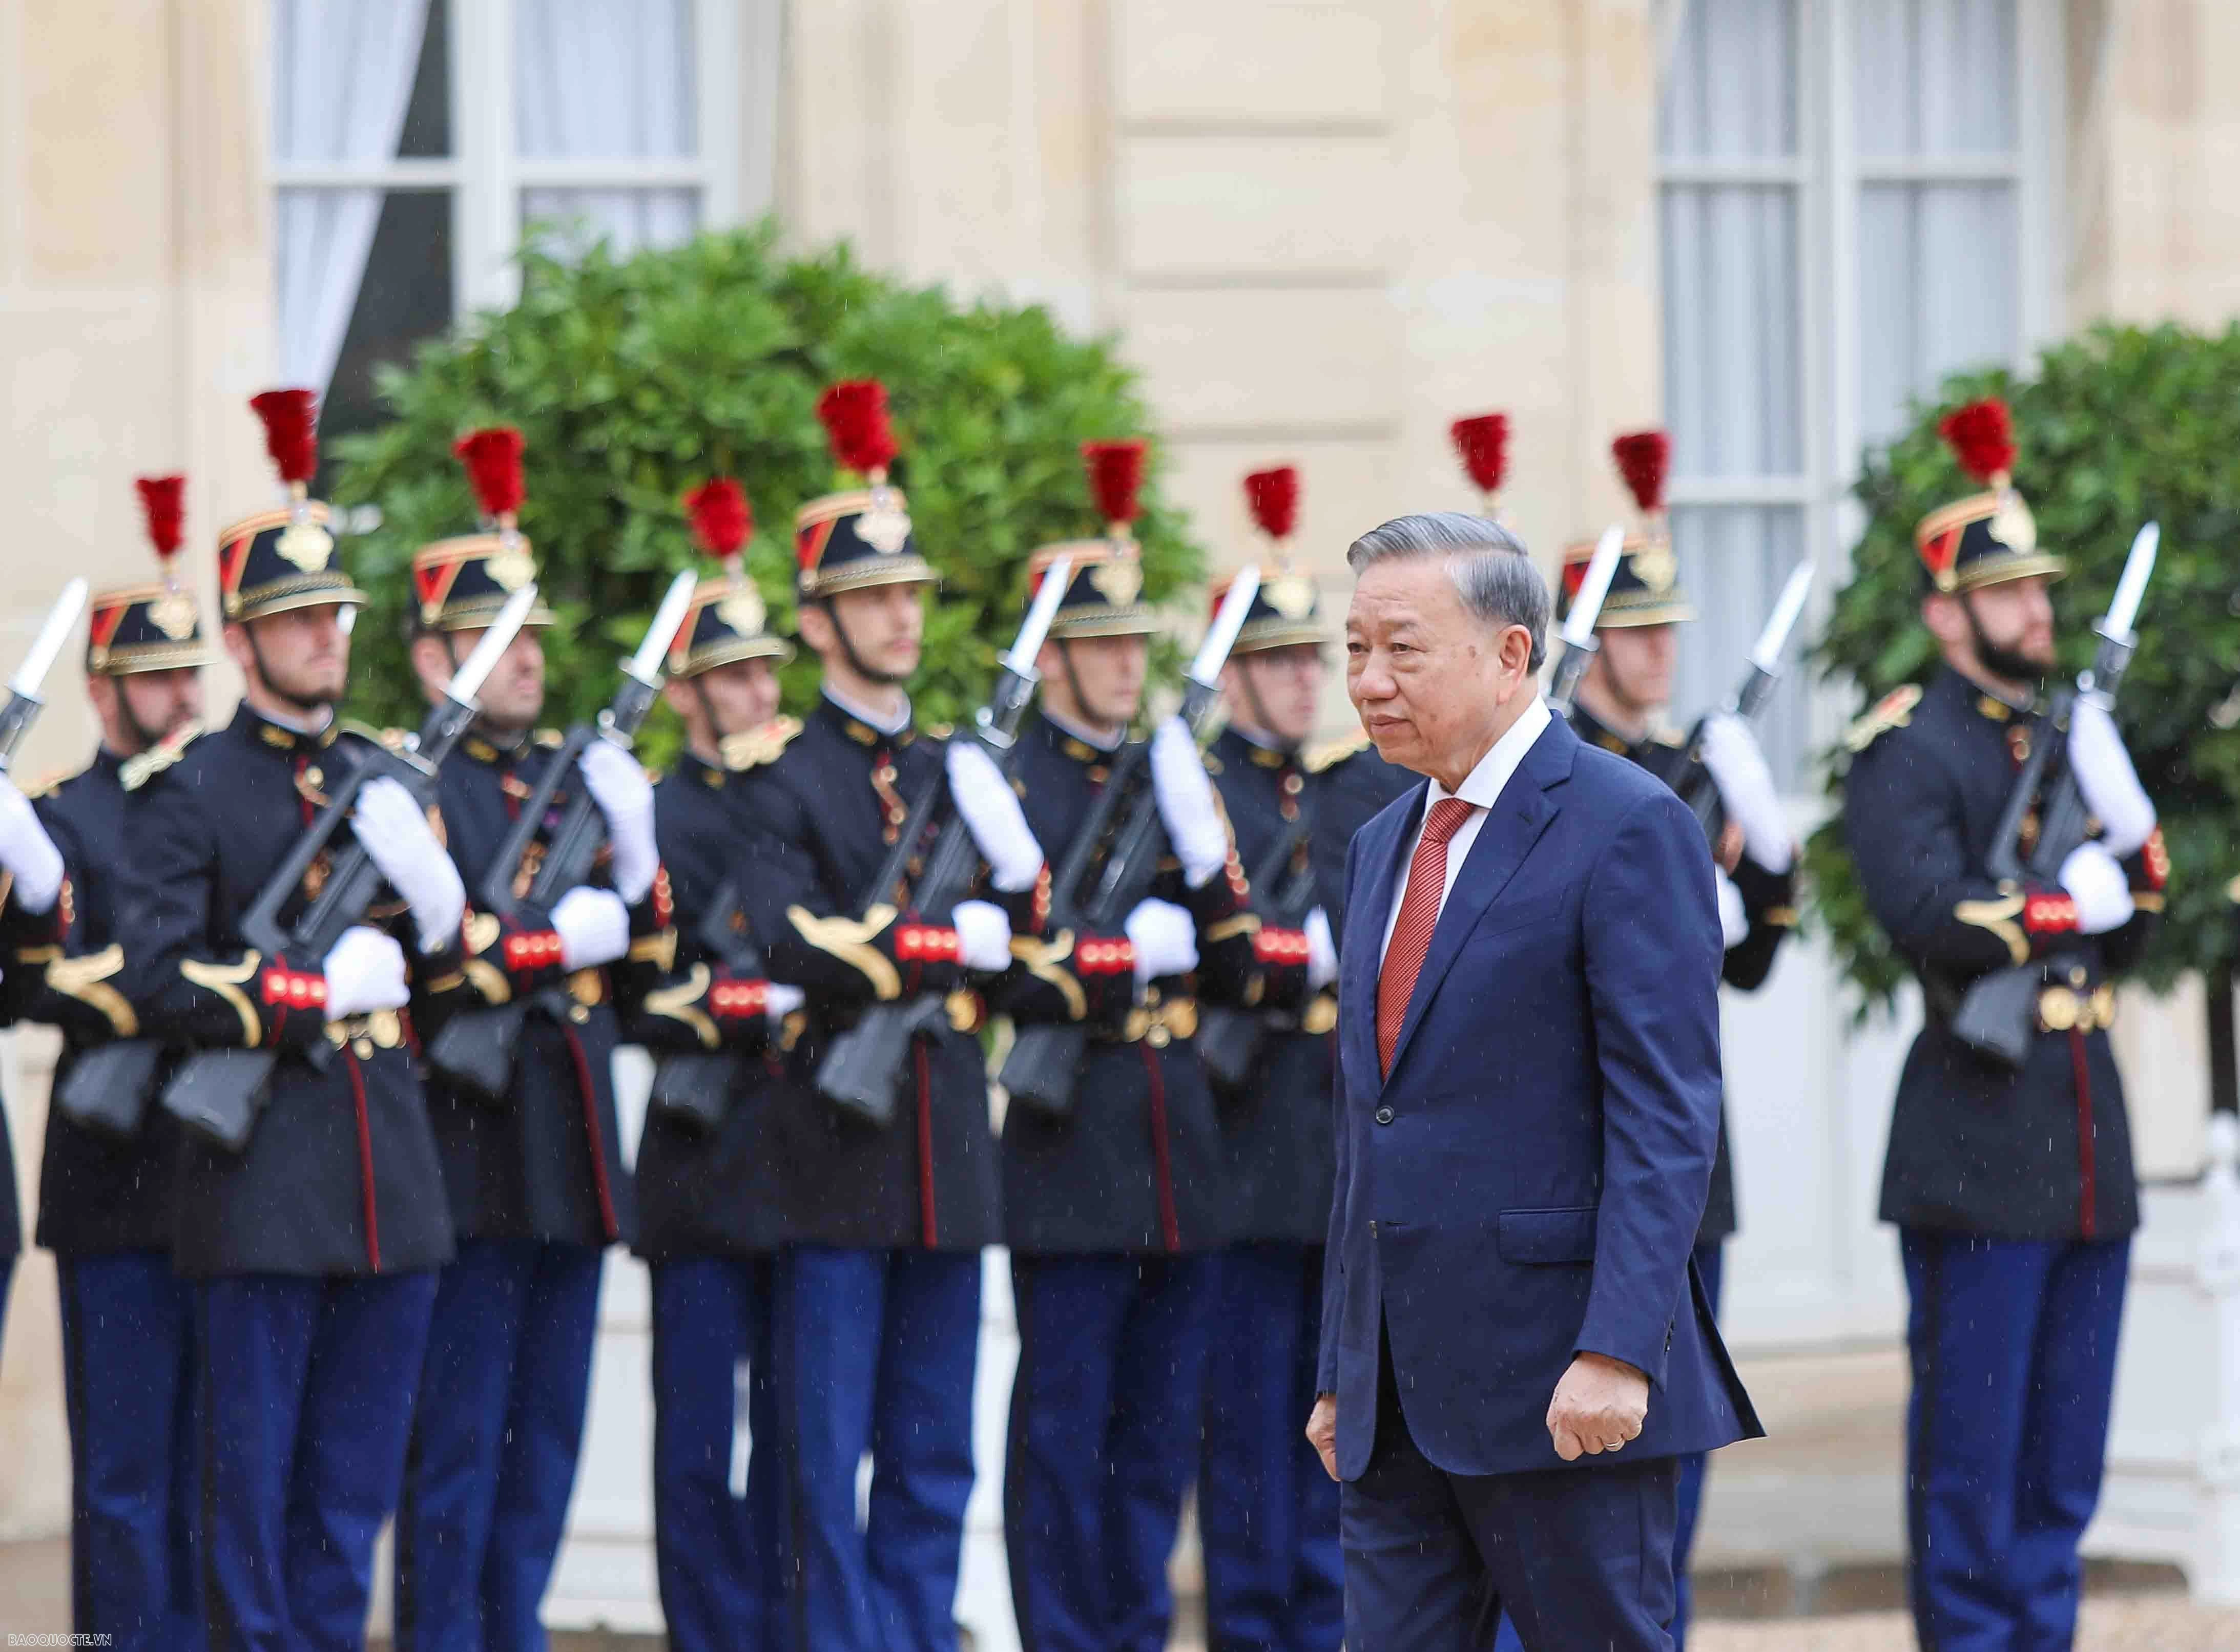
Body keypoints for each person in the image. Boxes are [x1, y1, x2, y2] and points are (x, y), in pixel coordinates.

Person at [1310, 511, 1759, 1651]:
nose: (1368, 681)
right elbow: (1373, 1126)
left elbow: (1666, 1115)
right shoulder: (1381, 843)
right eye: (1355, 649)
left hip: (1562, 1385)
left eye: (1401, 649)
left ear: (1511, 655)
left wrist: (1616, 1347)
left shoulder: (1625, 823)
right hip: (1397, 1400)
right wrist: (1341, 1367)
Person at [117, 389, 474, 1650]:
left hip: (391, 1180)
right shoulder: (193, 791)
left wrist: (440, 906)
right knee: (251, 1500)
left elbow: (447, 975)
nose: (327, 635)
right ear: (240, 638)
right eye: (297, 618)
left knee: (352, 1493)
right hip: (262, 1179)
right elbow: (159, 978)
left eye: (333, 615)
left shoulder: (384, 776)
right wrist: (309, 993)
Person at [1841, 399, 2166, 1652]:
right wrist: (2053, 898)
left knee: (2061, 1460)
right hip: (1977, 1138)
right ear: (1945, 613)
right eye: (2007, 593)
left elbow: (2130, 929)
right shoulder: (1905, 749)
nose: (2036, 611)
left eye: (2038, 590)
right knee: (1971, 1466)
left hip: (2083, 1133)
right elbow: (1925, 914)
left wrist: (2126, 830)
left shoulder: (2065, 737)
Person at [732, 381, 1046, 1651]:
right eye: (871, 598)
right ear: (817, 622)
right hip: (829, 1155)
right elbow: (785, 936)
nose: (900, 616)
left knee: (933, 1452)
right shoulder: (785, 776)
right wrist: (931, 943)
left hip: (943, 1150)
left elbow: (1029, 944)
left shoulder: (959, 771)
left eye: (910, 594)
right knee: (820, 1461)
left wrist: (997, 922)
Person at [992, 442, 1306, 1652]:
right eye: (1102, 645)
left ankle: (1129, 1632)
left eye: (1135, 642)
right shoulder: (1012, 778)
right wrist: (1123, 950)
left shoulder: (1173, 772)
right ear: (1056, 654)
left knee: (1157, 1437)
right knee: (1066, 1431)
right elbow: (1015, 955)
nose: (1127, 664)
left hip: (1181, 1143)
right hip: (1073, 1148)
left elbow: (1239, 960)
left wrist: (1206, 875)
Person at [390, 429, 675, 1651]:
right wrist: (559, 940)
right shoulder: (407, 789)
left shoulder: (573, 777)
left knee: (544, 1439)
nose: (525, 662)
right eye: (494, 640)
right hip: (462, 1154)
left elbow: (659, 954)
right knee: (455, 1445)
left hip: (565, 1150)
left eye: (533, 638)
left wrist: (638, 857)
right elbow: (430, 962)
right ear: (430, 658)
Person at [1545, 427, 1799, 1648]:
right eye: (1637, 631)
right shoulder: (1562, 776)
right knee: (1579, 1464)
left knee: (1675, 1446)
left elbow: (1741, 968)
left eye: (1668, 632)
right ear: (1585, 642)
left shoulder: (1682, 767)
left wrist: (1770, 869)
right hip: (1582, 1156)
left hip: (1684, 1164)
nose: (1659, 652)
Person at [1194, 465, 1410, 1652]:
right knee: (1245, 1434)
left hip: (1329, 1160)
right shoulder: (1198, 787)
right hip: (1236, 1153)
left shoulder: (1350, 791)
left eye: (1302, 661)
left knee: (1341, 1428)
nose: (1294, 681)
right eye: (1270, 663)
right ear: (1229, 675)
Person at [3, 476, 210, 1647]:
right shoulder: (63, 815)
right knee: (127, 1477)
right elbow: (33, 972)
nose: (181, 698)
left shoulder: (225, 803)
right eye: (155, 678)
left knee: (213, 1474)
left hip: (228, 1175)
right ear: (103, 690)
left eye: (191, 674)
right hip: (114, 1178)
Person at [634, 478, 802, 1652]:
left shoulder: (797, 798)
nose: (758, 690)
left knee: (798, 1433)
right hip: (699, 1158)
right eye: (735, 674)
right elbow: (647, 994)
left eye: (765, 670)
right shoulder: (656, 812)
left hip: (801, 1156)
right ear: (688, 692)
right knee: (697, 1437)